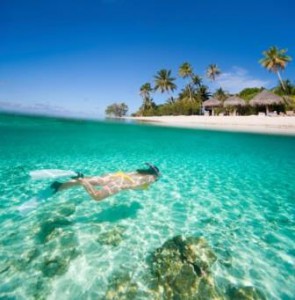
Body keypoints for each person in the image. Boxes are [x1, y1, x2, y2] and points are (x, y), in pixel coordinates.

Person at [50, 163, 160, 201]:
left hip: (115, 176)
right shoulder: (151, 178)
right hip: (119, 183)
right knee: (97, 196)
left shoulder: (139, 172)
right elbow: (135, 185)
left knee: (91, 181)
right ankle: (81, 179)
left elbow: (126, 176)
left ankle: (59, 186)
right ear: (154, 174)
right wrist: (123, 187)